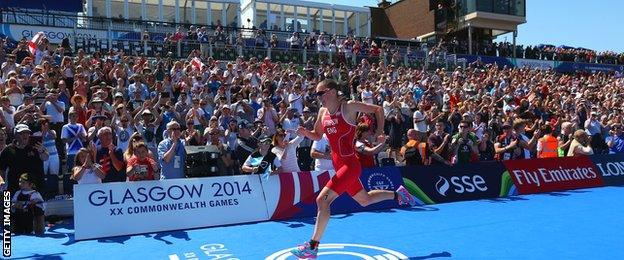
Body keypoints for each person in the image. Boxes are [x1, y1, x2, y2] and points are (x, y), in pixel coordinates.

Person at [292, 79, 415, 259]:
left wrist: (380, 132)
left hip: (350, 166)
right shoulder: (322, 112)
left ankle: (312, 246)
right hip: (338, 166)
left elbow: (377, 109)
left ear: (332, 91)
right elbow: (317, 136)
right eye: (316, 94)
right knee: (364, 200)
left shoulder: (348, 107)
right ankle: (399, 194)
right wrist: (305, 133)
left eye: (320, 93)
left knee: (322, 201)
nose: (318, 97)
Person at [0, 124, 48, 194]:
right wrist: (2, 183)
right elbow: (2, 170)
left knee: (36, 205)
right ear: (15, 135)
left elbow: (45, 158)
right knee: (7, 204)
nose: (25, 135)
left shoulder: (35, 146)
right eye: (22, 133)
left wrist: (42, 151)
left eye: (27, 133)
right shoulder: (8, 150)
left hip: (36, 188)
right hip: (14, 188)